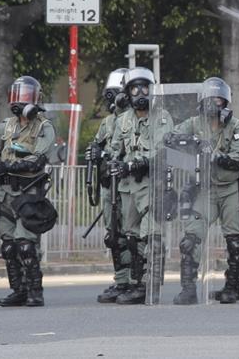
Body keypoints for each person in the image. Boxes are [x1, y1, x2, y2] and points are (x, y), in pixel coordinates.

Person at [170, 78, 239, 304]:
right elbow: (171, 138)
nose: (215, 104)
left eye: (220, 99)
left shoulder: (235, 126)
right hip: (205, 189)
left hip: (230, 188)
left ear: (226, 102)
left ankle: (233, 286)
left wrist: (216, 157)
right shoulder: (194, 123)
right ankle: (188, 288)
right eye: (211, 99)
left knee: (235, 240)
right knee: (190, 238)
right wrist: (193, 143)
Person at [0, 76, 55, 307]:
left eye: (25, 96)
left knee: (25, 244)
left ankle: (35, 291)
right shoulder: (6, 125)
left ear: (35, 99)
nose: (19, 101)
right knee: (9, 246)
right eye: (16, 95)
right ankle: (18, 290)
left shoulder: (44, 127)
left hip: (27, 193)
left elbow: (38, 158)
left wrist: (9, 165)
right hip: (3, 193)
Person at [109, 67, 173, 305]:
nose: (140, 93)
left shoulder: (162, 117)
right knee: (132, 236)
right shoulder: (123, 119)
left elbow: (163, 151)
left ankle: (151, 285)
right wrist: (112, 162)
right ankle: (137, 284)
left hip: (152, 183)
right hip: (128, 187)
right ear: (127, 92)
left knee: (151, 235)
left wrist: (136, 164)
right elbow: (116, 148)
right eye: (134, 88)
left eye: (145, 87)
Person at [87, 68, 132, 303]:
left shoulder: (134, 119)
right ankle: (121, 280)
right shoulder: (108, 121)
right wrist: (94, 152)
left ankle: (134, 281)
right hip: (108, 184)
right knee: (113, 235)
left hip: (128, 184)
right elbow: (98, 144)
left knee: (130, 235)